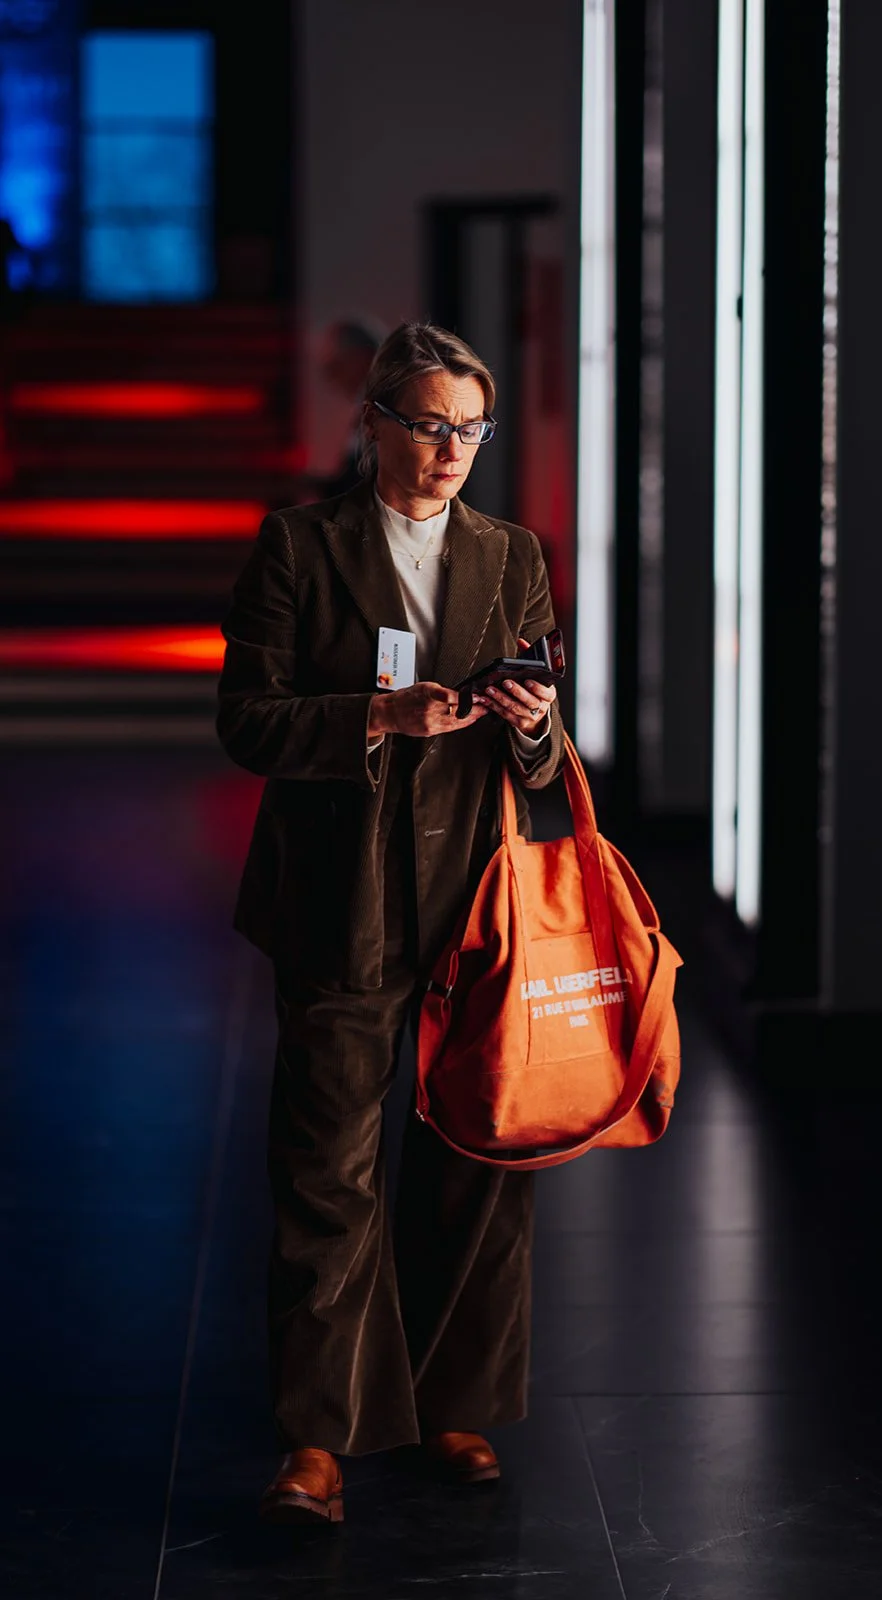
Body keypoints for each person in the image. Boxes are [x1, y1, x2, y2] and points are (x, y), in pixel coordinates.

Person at [216, 321, 565, 1523]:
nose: (448, 449)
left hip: (474, 897)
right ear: (370, 425)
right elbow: (247, 721)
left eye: (467, 429)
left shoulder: (512, 553)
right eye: (425, 424)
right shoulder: (297, 549)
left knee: (478, 1160)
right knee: (327, 1169)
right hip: (341, 897)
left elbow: (542, 745)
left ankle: (448, 1402)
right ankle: (314, 1437)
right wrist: (373, 719)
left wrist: (526, 723)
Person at [305, 316, 384, 499]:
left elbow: (369, 479)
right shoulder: (370, 405)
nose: (331, 378)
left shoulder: (385, 406)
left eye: (336, 365)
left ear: (363, 356)